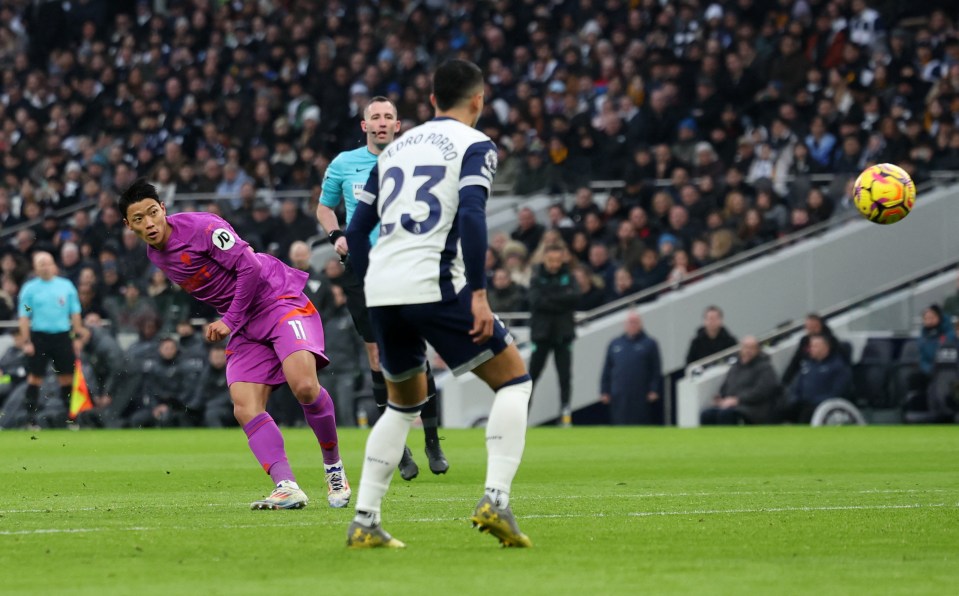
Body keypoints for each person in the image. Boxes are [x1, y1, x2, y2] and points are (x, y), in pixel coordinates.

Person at [344, 59, 533, 548]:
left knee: (402, 405)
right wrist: (478, 291)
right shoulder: (476, 145)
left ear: (430, 102)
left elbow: (356, 229)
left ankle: (365, 520)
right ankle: (495, 498)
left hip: (384, 291)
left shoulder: (394, 150)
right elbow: (471, 213)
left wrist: (369, 282)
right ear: (478, 100)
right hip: (436, 283)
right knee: (514, 379)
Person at [118, 179, 350, 510]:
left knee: (305, 388)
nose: (149, 223)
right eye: (138, 219)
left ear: (163, 209)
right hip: (243, 321)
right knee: (244, 406)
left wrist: (228, 320)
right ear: (128, 225)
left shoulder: (203, 226)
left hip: (276, 299)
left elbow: (250, 266)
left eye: (152, 213)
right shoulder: (155, 255)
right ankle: (286, 485)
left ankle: (334, 468)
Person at [316, 95, 448, 480]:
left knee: (415, 350)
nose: (381, 122)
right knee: (376, 355)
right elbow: (324, 207)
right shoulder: (344, 164)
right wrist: (336, 235)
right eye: (374, 116)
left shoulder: (414, 159)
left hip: (405, 260)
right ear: (365, 126)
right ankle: (399, 449)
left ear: (397, 125)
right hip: (362, 266)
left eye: (388, 116)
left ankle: (433, 441)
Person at [17, 251, 87, 428]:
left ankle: (72, 419)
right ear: (35, 268)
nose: (45, 266)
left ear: (54, 265)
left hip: (62, 336)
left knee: (66, 378)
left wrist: (77, 336)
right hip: (39, 336)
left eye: (47, 263)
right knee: (34, 378)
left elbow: (75, 312)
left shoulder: (66, 286)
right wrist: (26, 341)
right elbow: (24, 315)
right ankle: (30, 420)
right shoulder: (30, 289)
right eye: (41, 264)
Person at [527, 244, 580, 426]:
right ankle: (523, 414)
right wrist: (561, 300)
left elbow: (574, 298)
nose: (554, 264)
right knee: (532, 376)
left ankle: (565, 415)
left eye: (558, 260)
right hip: (541, 334)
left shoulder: (569, 277)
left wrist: (549, 299)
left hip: (563, 334)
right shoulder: (536, 277)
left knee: (565, 376)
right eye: (551, 260)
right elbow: (535, 301)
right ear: (545, 259)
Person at [700, 336, 783, 425]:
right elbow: (725, 387)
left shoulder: (765, 367)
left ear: (757, 350)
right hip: (732, 404)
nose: (748, 351)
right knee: (707, 414)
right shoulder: (735, 367)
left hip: (753, 407)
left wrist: (737, 400)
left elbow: (761, 391)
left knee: (726, 414)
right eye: (745, 347)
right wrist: (721, 398)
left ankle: (730, 438)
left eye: (751, 348)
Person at [600, 310, 663, 425]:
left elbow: (656, 370)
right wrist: (604, 390)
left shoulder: (649, 343)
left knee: (640, 424)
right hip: (619, 395)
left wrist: (654, 389)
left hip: (641, 395)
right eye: (630, 322)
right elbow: (607, 369)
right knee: (620, 423)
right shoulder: (615, 343)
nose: (632, 325)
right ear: (624, 324)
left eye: (635, 322)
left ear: (640, 324)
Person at [780, 334, 853, 424]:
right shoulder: (808, 365)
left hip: (823, 406)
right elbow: (797, 385)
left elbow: (838, 391)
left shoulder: (837, 366)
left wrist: (816, 401)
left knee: (807, 413)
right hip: (803, 403)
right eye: (811, 346)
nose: (811, 349)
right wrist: (794, 399)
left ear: (826, 347)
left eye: (815, 346)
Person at [781, 314, 847, 386]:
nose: (809, 330)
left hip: (825, 375)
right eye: (808, 327)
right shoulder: (805, 341)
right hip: (806, 373)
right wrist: (784, 381)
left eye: (812, 327)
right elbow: (795, 361)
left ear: (818, 326)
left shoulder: (831, 341)